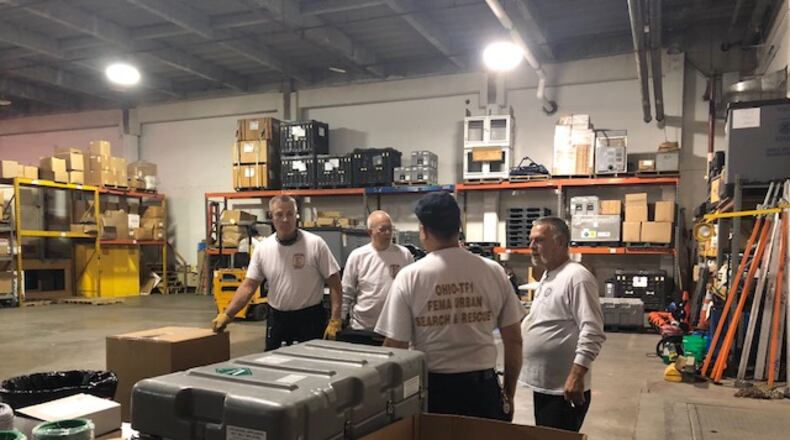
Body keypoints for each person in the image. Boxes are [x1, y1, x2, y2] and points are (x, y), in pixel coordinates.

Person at [375, 192, 525, 421]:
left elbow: (396, 346)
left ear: (424, 230)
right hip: (483, 392)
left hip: (434, 393)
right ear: (458, 227)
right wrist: (508, 394)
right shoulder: (492, 271)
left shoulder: (410, 277)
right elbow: (514, 339)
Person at [211, 195, 344, 350]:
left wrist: (335, 319)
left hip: (310, 319)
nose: (285, 219)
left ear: (296, 216)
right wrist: (227, 314)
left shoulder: (315, 244)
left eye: (290, 214)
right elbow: (249, 286)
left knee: (310, 362)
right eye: (279, 214)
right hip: (277, 319)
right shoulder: (263, 249)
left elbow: (335, 283)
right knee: (273, 361)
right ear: (271, 216)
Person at [521, 216, 606, 432]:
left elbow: (593, 330)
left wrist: (576, 376)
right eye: (531, 240)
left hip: (564, 390)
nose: (532, 246)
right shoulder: (550, 275)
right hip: (547, 386)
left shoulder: (577, 277)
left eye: (539, 240)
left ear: (560, 242)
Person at [341, 210, 414, 338]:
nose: (388, 233)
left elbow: (413, 290)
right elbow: (346, 291)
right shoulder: (358, 256)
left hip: (394, 327)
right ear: (370, 232)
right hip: (363, 327)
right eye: (383, 229)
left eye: (390, 229)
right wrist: (339, 319)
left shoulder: (404, 255)